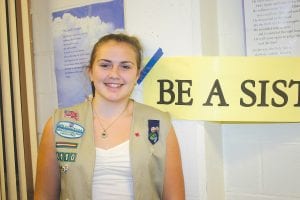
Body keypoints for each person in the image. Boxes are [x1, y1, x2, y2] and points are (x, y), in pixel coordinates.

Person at [34, 33, 185, 200]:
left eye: (125, 66)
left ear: (137, 75)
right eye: (105, 65)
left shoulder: (159, 124)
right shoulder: (59, 123)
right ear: (90, 72)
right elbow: (44, 195)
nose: (114, 74)